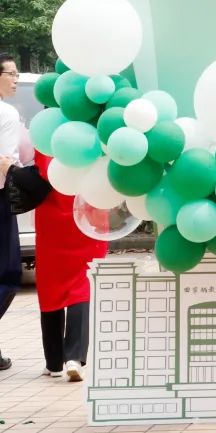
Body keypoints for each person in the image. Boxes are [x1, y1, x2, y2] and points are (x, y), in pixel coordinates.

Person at [34, 149, 108, 381]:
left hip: (51, 215)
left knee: (50, 284)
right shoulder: (94, 135)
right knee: (82, 284)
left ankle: (54, 361)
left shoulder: (45, 140)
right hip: (88, 210)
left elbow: (40, 171)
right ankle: (74, 357)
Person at [0, 54, 24, 370]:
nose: (16, 80)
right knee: (8, 273)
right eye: (11, 73)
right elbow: (4, 162)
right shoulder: (6, 113)